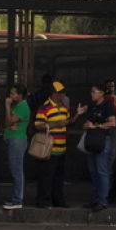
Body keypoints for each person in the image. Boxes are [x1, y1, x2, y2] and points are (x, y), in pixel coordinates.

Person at [34, 81, 85, 209]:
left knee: (58, 176)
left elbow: (68, 122)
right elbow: (38, 125)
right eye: (60, 93)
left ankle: (58, 199)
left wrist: (77, 114)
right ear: (53, 94)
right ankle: (43, 201)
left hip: (61, 147)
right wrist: (55, 125)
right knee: (46, 176)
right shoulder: (44, 107)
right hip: (49, 148)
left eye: (63, 92)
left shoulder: (63, 107)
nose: (63, 95)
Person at [82, 83, 116, 212]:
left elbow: (112, 122)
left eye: (94, 92)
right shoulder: (91, 106)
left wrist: (97, 126)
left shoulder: (107, 105)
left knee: (102, 170)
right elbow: (86, 123)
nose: (92, 94)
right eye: (91, 92)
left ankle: (103, 200)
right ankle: (95, 198)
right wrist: (87, 126)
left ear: (102, 93)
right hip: (91, 138)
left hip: (102, 138)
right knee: (93, 171)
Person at [2, 84, 30, 210]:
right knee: (14, 170)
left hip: (17, 139)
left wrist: (7, 106)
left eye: (13, 93)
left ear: (20, 95)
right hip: (12, 138)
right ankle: (15, 197)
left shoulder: (22, 107)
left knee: (17, 170)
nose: (11, 96)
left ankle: (18, 199)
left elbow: (11, 121)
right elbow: (7, 122)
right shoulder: (16, 106)